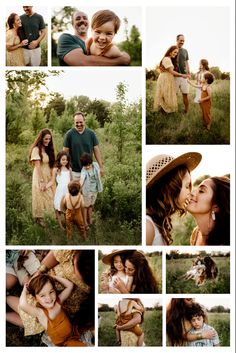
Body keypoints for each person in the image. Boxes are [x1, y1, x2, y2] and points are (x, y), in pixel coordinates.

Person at [10, 250, 94, 338]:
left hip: (44, 301)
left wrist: (24, 291)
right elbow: (70, 285)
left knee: (28, 319)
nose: (49, 299)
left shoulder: (55, 304)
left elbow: (23, 305)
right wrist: (48, 276)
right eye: (74, 261)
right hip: (44, 283)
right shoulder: (58, 301)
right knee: (24, 305)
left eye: (75, 266)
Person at [146, 152, 202, 245]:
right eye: (187, 186)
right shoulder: (148, 226)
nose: (190, 193)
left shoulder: (159, 222)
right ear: (171, 188)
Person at [19, 274, 86, 346]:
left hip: (72, 334)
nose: (49, 298)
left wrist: (53, 277)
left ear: (54, 290)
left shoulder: (58, 301)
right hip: (63, 344)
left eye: (51, 292)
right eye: (42, 295)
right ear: (35, 298)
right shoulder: (41, 313)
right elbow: (23, 305)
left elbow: (70, 286)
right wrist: (24, 291)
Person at [57, 9, 130, 66]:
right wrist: (120, 60)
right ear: (72, 24)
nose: (82, 20)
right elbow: (82, 62)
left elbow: (115, 53)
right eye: (78, 18)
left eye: (85, 18)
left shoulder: (100, 43)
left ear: (89, 23)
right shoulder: (66, 38)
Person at [187, 176, 230, 245]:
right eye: (196, 189)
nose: (192, 193)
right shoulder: (196, 234)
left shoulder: (227, 242)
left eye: (201, 191)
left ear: (216, 206)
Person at [63, 112, 104, 180]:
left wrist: (101, 167)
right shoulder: (69, 134)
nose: (79, 124)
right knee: (76, 190)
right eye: (77, 122)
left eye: (81, 122)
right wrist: (64, 168)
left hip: (88, 169)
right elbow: (64, 153)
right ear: (74, 122)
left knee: (89, 190)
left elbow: (96, 150)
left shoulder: (91, 134)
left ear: (84, 121)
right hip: (74, 171)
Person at [29, 128, 55, 227]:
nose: (47, 141)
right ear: (41, 138)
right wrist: (41, 181)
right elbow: (38, 166)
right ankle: (40, 219)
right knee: (40, 196)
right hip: (40, 176)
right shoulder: (36, 149)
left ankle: (49, 217)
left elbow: (52, 164)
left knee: (50, 196)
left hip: (48, 175)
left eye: (49, 139)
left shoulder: (48, 149)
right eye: (46, 139)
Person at [153, 45, 189, 113]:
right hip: (165, 78)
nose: (175, 54)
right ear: (170, 52)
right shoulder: (166, 59)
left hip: (168, 77)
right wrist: (182, 75)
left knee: (167, 94)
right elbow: (171, 71)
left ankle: (165, 111)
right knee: (164, 94)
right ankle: (164, 110)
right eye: (174, 52)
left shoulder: (169, 59)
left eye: (176, 53)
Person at [46, 151, 72, 230]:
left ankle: (67, 223)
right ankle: (60, 225)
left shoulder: (69, 169)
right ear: (59, 159)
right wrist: (46, 186)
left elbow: (71, 181)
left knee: (66, 208)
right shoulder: (56, 169)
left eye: (66, 160)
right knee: (58, 208)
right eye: (63, 159)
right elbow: (52, 181)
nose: (65, 161)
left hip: (67, 191)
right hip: (60, 191)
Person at [80, 153, 103, 230]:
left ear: (91, 162)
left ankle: (90, 220)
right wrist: (78, 187)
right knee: (86, 206)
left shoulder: (95, 165)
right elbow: (81, 180)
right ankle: (85, 222)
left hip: (95, 189)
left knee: (91, 205)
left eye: (88, 165)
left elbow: (99, 173)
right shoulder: (83, 171)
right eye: (85, 166)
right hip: (87, 191)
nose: (87, 167)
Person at [175, 34, 190, 113]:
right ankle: (173, 110)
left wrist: (189, 73)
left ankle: (186, 110)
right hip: (175, 76)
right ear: (177, 40)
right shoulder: (173, 49)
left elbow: (186, 63)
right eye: (181, 40)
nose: (182, 42)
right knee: (174, 95)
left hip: (184, 76)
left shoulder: (185, 51)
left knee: (185, 94)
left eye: (183, 41)